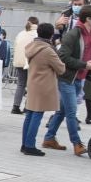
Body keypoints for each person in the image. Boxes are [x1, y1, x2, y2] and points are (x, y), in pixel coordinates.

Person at [42, 4, 91, 156]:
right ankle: (77, 143)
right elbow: (62, 56)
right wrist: (84, 64)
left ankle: (49, 138)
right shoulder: (74, 34)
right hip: (67, 78)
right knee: (71, 112)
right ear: (88, 19)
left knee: (62, 111)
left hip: (79, 78)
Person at [21, 23, 65, 156]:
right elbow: (61, 69)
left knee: (29, 115)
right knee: (37, 115)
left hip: (33, 83)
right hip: (43, 86)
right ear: (51, 35)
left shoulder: (31, 46)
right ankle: (30, 145)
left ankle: (24, 144)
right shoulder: (48, 50)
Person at [11, 16, 39, 114]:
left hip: (19, 62)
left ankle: (15, 106)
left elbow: (15, 46)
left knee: (20, 84)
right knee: (31, 85)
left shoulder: (21, 33)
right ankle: (27, 107)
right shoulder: (36, 34)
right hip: (30, 62)